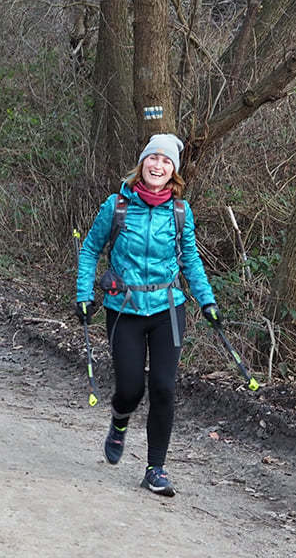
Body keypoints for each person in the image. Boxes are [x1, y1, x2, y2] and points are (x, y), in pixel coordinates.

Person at [74, 133, 219, 497]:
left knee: (164, 388)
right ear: (142, 164)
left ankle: (156, 469)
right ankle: (120, 419)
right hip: (124, 308)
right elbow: (90, 250)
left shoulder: (180, 212)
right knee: (130, 388)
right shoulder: (117, 206)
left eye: (166, 161)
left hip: (168, 308)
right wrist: (83, 294)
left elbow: (190, 260)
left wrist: (207, 301)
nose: (158, 165)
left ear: (174, 172)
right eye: (153, 158)